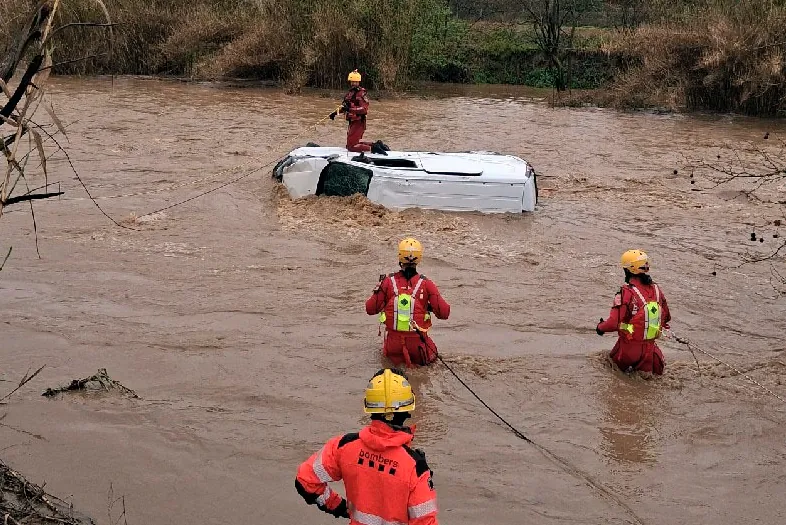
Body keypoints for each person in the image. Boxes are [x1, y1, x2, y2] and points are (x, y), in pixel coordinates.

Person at [295, 368, 439, 525]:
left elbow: (305, 480)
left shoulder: (344, 445)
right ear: (408, 409)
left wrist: (340, 507)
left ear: (369, 407)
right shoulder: (415, 467)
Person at [366, 238, 450, 367]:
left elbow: (370, 309)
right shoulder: (427, 284)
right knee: (432, 361)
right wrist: (427, 307)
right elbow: (444, 313)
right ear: (419, 258)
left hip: (393, 346)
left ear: (400, 256)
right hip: (418, 347)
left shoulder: (387, 282)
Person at [596, 250, 671, 375]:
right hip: (650, 352)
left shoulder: (625, 292)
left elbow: (613, 323)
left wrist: (600, 327)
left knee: (608, 369)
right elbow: (666, 317)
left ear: (627, 270)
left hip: (627, 350)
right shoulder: (657, 290)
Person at [329, 69, 388, 155]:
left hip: (359, 121)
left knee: (351, 146)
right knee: (350, 145)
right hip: (352, 121)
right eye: (352, 81)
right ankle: (376, 144)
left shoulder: (361, 94)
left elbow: (364, 109)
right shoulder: (350, 93)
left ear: (358, 82)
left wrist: (350, 109)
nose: (353, 83)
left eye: (355, 82)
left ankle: (373, 148)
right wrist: (335, 113)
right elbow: (345, 107)